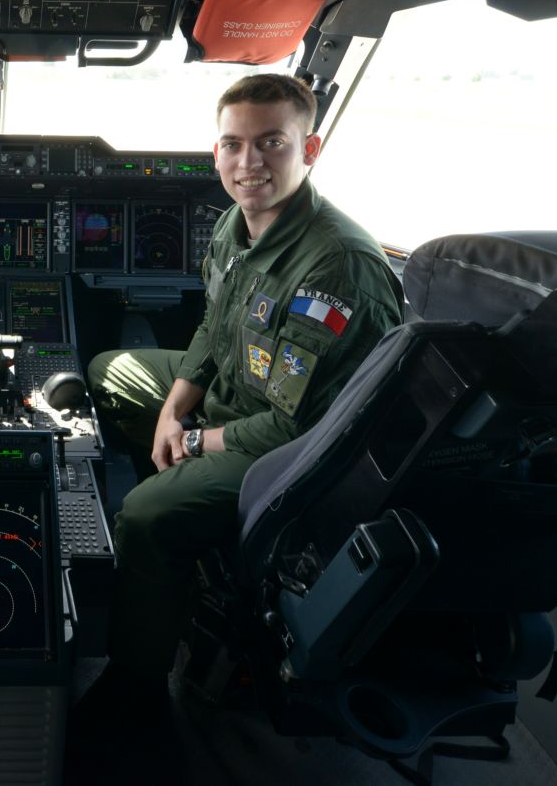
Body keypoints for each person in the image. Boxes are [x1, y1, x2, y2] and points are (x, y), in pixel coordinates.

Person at [75, 74, 403, 735]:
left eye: (270, 143)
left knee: (143, 514)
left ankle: (137, 688)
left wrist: (193, 445)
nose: (248, 162)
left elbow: (295, 424)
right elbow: (214, 328)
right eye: (233, 144)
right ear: (217, 151)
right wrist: (173, 411)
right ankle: (185, 547)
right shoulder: (238, 222)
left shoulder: (335, 264)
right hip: (236, 402)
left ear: (308, 148)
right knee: (110, 372)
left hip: (297, 453)